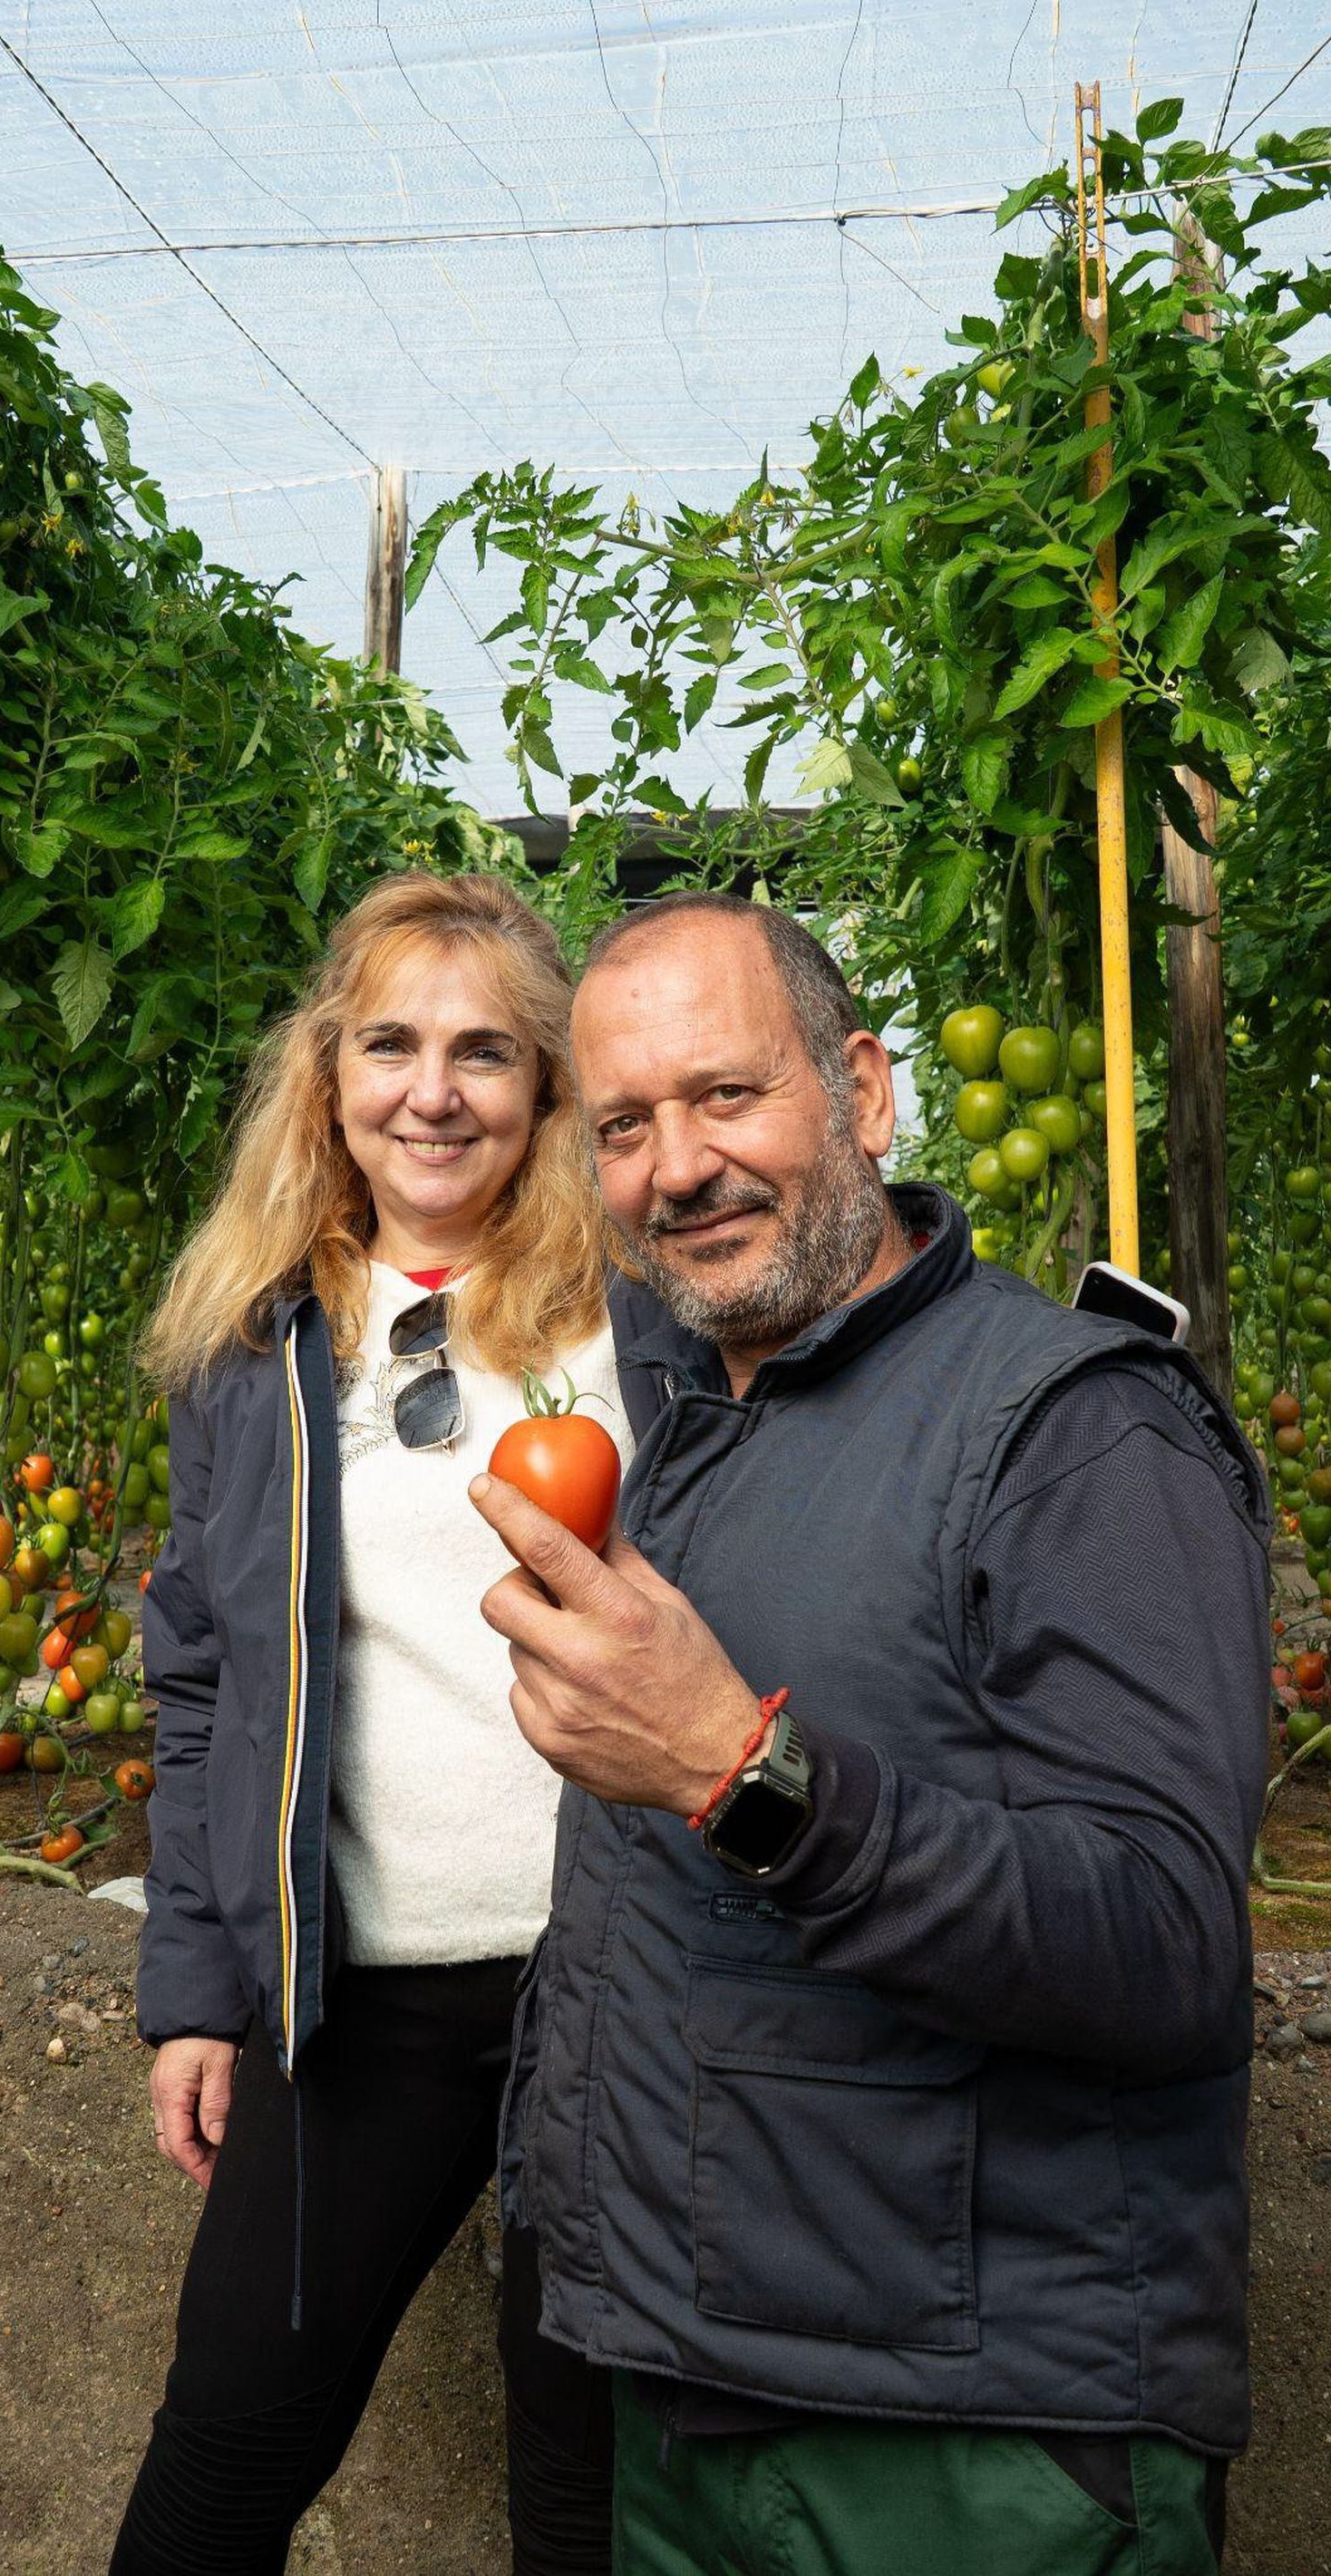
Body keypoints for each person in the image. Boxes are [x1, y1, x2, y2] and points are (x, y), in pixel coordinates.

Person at [469, 889, 1270, 2576]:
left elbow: (1166, 1945)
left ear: (865, 1092)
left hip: (968, 2449)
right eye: (623, 1125)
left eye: (727, 1094)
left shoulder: (1074, 1430)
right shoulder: (697, 1429)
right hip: (694, 2386)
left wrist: (737, 1774)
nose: (677, 1167)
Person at [111, 872, 660, 2576]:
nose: (435, 1092)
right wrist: (197, 1988)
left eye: (486, 1051)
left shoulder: (637, 1314)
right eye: (392, 1045)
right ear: (329, 1072)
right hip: (362, 2000)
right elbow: (201, 1676)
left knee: (585, 2490)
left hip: (619, 1989)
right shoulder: (259, 1342)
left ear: (547, 1086)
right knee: (220, 2461)